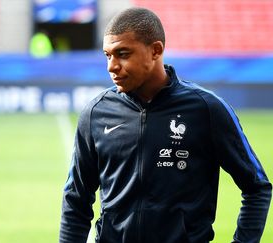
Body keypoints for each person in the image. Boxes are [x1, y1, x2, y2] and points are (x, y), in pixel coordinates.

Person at [59, 7, 271, 243]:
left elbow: (257, 187)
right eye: (108, 55)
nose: (112, 66)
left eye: (123, 54)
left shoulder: (207, 109)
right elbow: (76, 199)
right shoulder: (96, 113)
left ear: (156, 50)